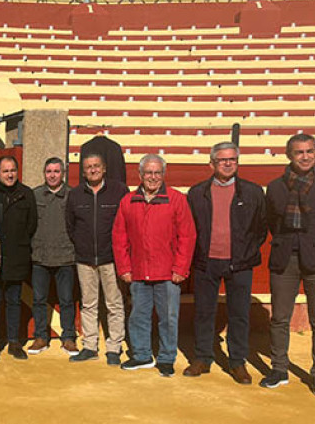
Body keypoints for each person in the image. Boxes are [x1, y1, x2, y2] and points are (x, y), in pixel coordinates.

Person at [185, 142, 266, 384]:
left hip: (239, 263)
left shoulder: (252, 192)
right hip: (206, 262)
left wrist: (245, 251)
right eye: (223, 160)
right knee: (203, 312)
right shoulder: (197, 192)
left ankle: (237, 361)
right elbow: (191, 228)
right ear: (211, 164)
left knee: (239, 314)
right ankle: (202, 357)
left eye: (233, 159)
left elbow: (261, 228)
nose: (229, 163)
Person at [112, 154, 196, 377]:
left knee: (168, 317)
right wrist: (124, 268)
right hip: (138, 272)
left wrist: (180, 269)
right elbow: (119, 237)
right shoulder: (127, 201)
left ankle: (167, 358)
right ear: (140, 175)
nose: (152, 177)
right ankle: (141, 355)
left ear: (163, 175)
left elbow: (187, 236)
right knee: (138, 315)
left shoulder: (177, 199)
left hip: (168, 273)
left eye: (157, 172)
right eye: (148, 173)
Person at [65, 153, 130, 365]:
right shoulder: (75, 195)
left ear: (103, 169)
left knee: (114, 303)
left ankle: (114, 347)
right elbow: (70, 226)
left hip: (111, 258)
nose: (92, 170)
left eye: (96, 166)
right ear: (83, 172)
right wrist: (82, 247)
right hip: (84, 259)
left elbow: (126, 223)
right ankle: (90, 346)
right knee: (88, 304)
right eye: (88, 167)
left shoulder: (119, 191)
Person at [262, 133, 315, 389]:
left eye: (309, 151)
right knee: (280, 317)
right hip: (285, 257)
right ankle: (279, 369)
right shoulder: (275, 187)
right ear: (289, 156)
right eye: (299, 152)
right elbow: (273, 222)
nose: (305, 157)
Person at [0, 155, 37, 361]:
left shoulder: (26, 194)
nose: (10, 174)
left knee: (14, 301)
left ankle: (14, 342)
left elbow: (31, 225)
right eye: (5, 171)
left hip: (17, 256)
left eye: (13, 170)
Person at [30, 157, 78, 356]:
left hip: (65, 255)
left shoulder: (73, 195)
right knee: (39, 299)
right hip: (40, 256)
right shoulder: (34, 195)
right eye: (49, 171)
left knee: (67, 300)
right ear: (44, 173)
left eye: (56, 171)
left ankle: (68, 338)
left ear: (63, 174)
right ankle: (41, 337)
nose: (52, 175)